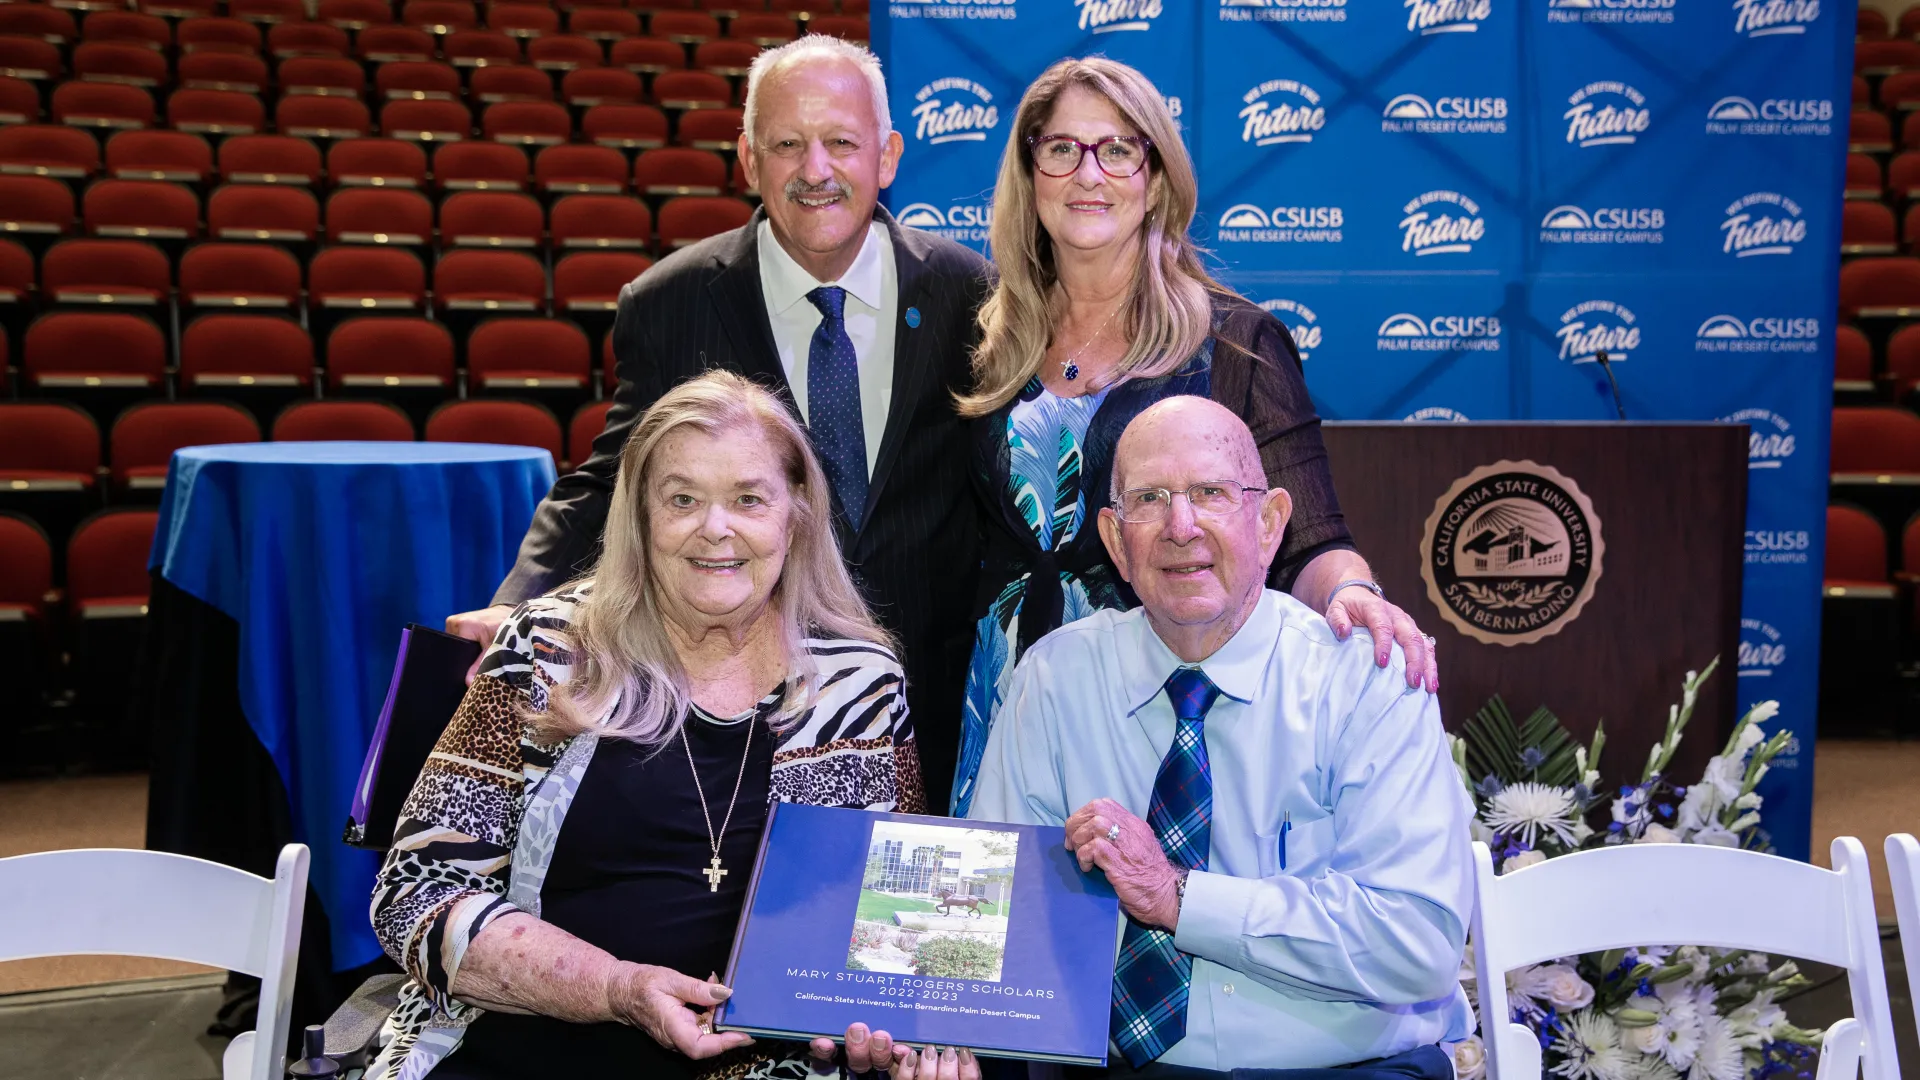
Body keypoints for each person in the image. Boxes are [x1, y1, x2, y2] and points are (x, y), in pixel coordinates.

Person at [367, 372, 974, 1080]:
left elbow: (901, 929)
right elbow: (417, 890)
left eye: (749, 499)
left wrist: (907, 1037)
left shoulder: (861, 680)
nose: (715, 529)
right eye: (683, 499)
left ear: (796, 513)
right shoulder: (549, 650)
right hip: (530, 1043)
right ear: (641, 516)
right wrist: (615, 989)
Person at [444, 35, 993, 817]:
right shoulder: (672, 300)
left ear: (889, 155)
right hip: (747, 701)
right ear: (747, 158)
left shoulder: (970, 296)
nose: (816, 170)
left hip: (934, 692)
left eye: (842, 142)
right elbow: (613, 479)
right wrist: (519, 599)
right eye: (787, 144)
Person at [950, 58, 1439, 817]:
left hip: (1149, 701)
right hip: (995, 694)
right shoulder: (985, 340)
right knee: (1010, 925)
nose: (1089, 174)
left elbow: (1306, 536)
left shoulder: (1237, 344)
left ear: (1156, 180)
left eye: (1118, 150)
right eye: (1061, 149)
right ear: (1030, 173)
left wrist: (1355, 595)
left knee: (1146, 908)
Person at [970, 397, 1473, 1078]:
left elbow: (1419, 943)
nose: (1182, 527)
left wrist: (1178, 897)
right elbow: (996, 925)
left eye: (1211, 493)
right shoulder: (1054, 681)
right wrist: (901, 1020)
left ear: (1269, 525)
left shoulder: (1367, 678)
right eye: (1150, 500)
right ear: (1117, 542)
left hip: (1348, 1068)